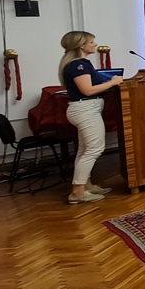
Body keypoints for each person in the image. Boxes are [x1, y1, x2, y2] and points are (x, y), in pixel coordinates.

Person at [58, 30, 123, 204]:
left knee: (84, 150)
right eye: (92, 41)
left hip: (85, 109)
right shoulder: (78, 65)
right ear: (81, 45)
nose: (95, 44)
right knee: (94, 150)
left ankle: (86, 185)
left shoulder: (79, 64)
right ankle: (77, 192)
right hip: (85, 110)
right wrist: (112, 82)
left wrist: (109, 82)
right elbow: (87, 90)